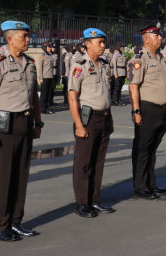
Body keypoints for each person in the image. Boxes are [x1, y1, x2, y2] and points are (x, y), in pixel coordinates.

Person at [0, 21, 43, 242]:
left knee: (21, 175)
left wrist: (38, 122)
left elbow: (33, 96)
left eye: (28, 36)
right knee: (2, 178)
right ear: (10, 39)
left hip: (25, 124)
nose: (28, 39)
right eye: (24, 36)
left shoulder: (30, 62)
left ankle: (16, 221)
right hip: (5, 126)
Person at [68, 28, 115, 218]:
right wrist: (78, 124)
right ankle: (82, 202)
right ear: (87, 43)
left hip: (104, 117)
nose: (103, 46)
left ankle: (95, 199)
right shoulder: (79, 65)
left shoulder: (104, 64)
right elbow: (72, 96)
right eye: (99, 43)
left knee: (98, 162)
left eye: (104, 42)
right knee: (84, 163)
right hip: (88, 119)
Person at [129, 21, 166, 199]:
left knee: (152, 149)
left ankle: (151, 183)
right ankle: (140, 186)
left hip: (161, 110)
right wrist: (136, 111)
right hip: (147, 109)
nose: (160, 38)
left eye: (160, 35)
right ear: (146, 39)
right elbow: (133, 87)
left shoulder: (160, 57)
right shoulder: (140, 59)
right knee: (142, 149)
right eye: (156, 35)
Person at [38, 43, 55, 114]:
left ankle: (47, 108)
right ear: (45, 48)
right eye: (48, 47)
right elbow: (40, 68)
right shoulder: (42, 56)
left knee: (48, 94)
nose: (50, 48)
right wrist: (40, 78)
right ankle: (42, 108)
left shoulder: (50, 55)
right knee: (44, 94)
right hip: (45, 77)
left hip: (50, 76)